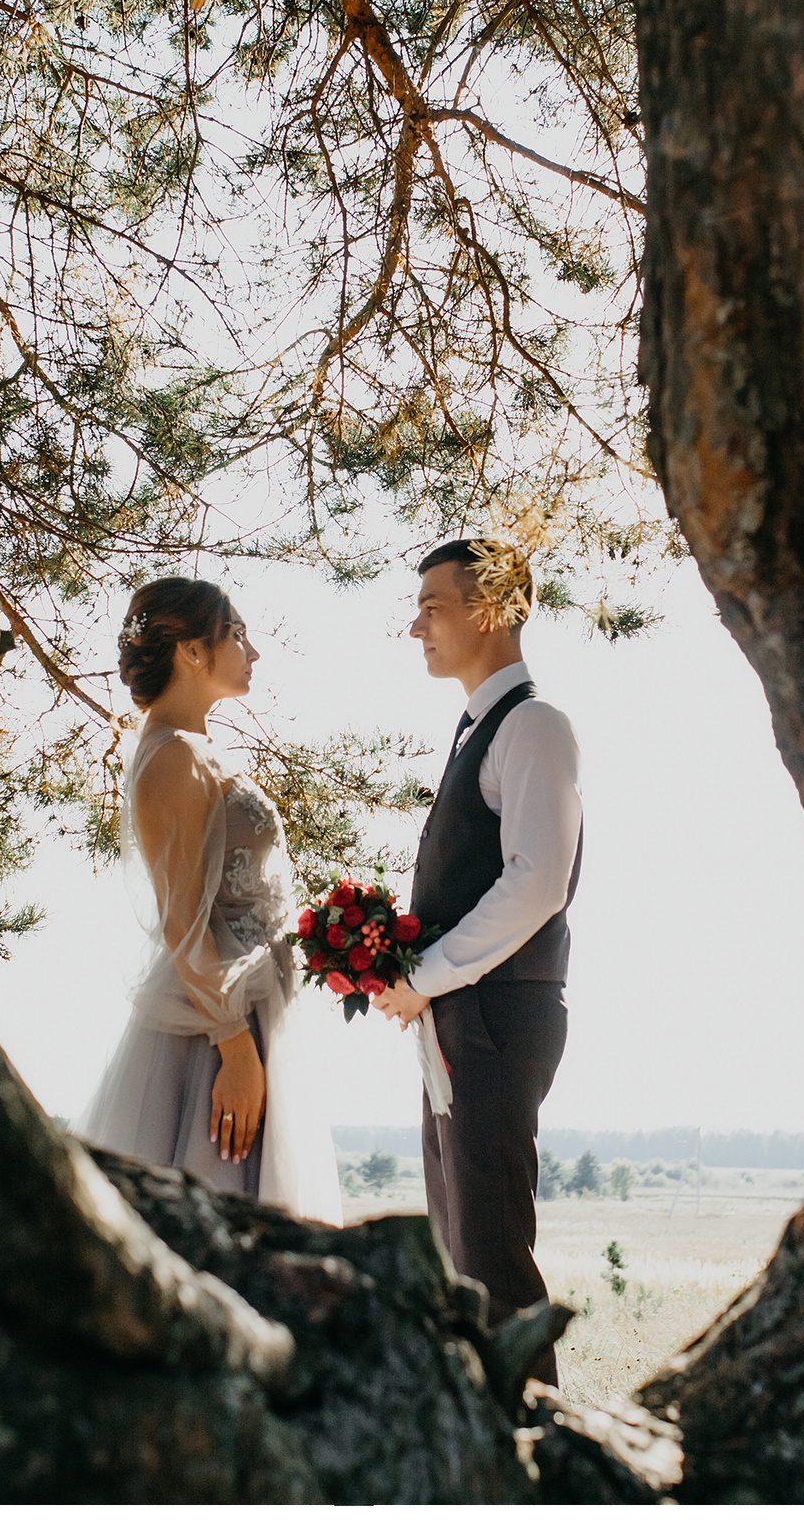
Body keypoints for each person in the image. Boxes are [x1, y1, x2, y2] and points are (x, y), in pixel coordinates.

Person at [373, 538, 582, 1389]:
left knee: (492, 1259)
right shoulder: (477, 732)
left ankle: (534, 1466)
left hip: (493, 1018)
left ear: (494, 606)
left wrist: (420, 976)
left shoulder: (534, 726)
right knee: (460, 1251)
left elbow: (538, 885)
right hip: (463, 1014)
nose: (415, 624)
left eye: (434, 604)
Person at [74, 578, 342, 1222]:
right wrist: (235, 1049)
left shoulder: (195, 750)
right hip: (210, 1031)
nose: (254, 651)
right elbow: (181, 922)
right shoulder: (170, 757)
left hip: (248, 1011)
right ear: (192, 652)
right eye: (238, 635)